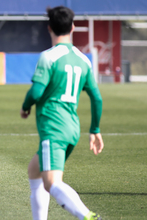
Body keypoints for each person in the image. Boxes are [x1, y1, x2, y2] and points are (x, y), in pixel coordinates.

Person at [20, 6, 104, 220]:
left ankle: (88, 216)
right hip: (71, 127)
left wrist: (26, 106)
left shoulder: (48, 57)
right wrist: (94, 129)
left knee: (51, 183)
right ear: (73, 27)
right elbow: (97, 98)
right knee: (34, 171)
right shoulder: (83, 59)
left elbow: (36, 92)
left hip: (53, 127)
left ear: (49, 28)